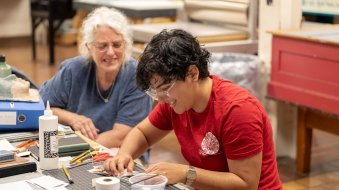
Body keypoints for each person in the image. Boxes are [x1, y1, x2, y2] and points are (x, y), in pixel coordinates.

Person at [104, 29, 282, 189]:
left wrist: (186, 174)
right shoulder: (175, 101)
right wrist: (124, 154)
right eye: (155, 91)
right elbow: (143, 133)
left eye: (165, 88)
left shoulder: (237, 111)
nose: (161, 98)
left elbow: (246, 184)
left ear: (192, 73)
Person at [39, 7, 152, 154]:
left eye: (117, 45)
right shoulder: (73, 70)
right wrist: (72, 118)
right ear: (89, 47)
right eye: (102, 46)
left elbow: (121, 136)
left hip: (121, 157)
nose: (111, 52)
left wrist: (72, 149)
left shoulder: (136, 76)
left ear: (126, 45)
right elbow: (41, 106)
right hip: (76, 152)